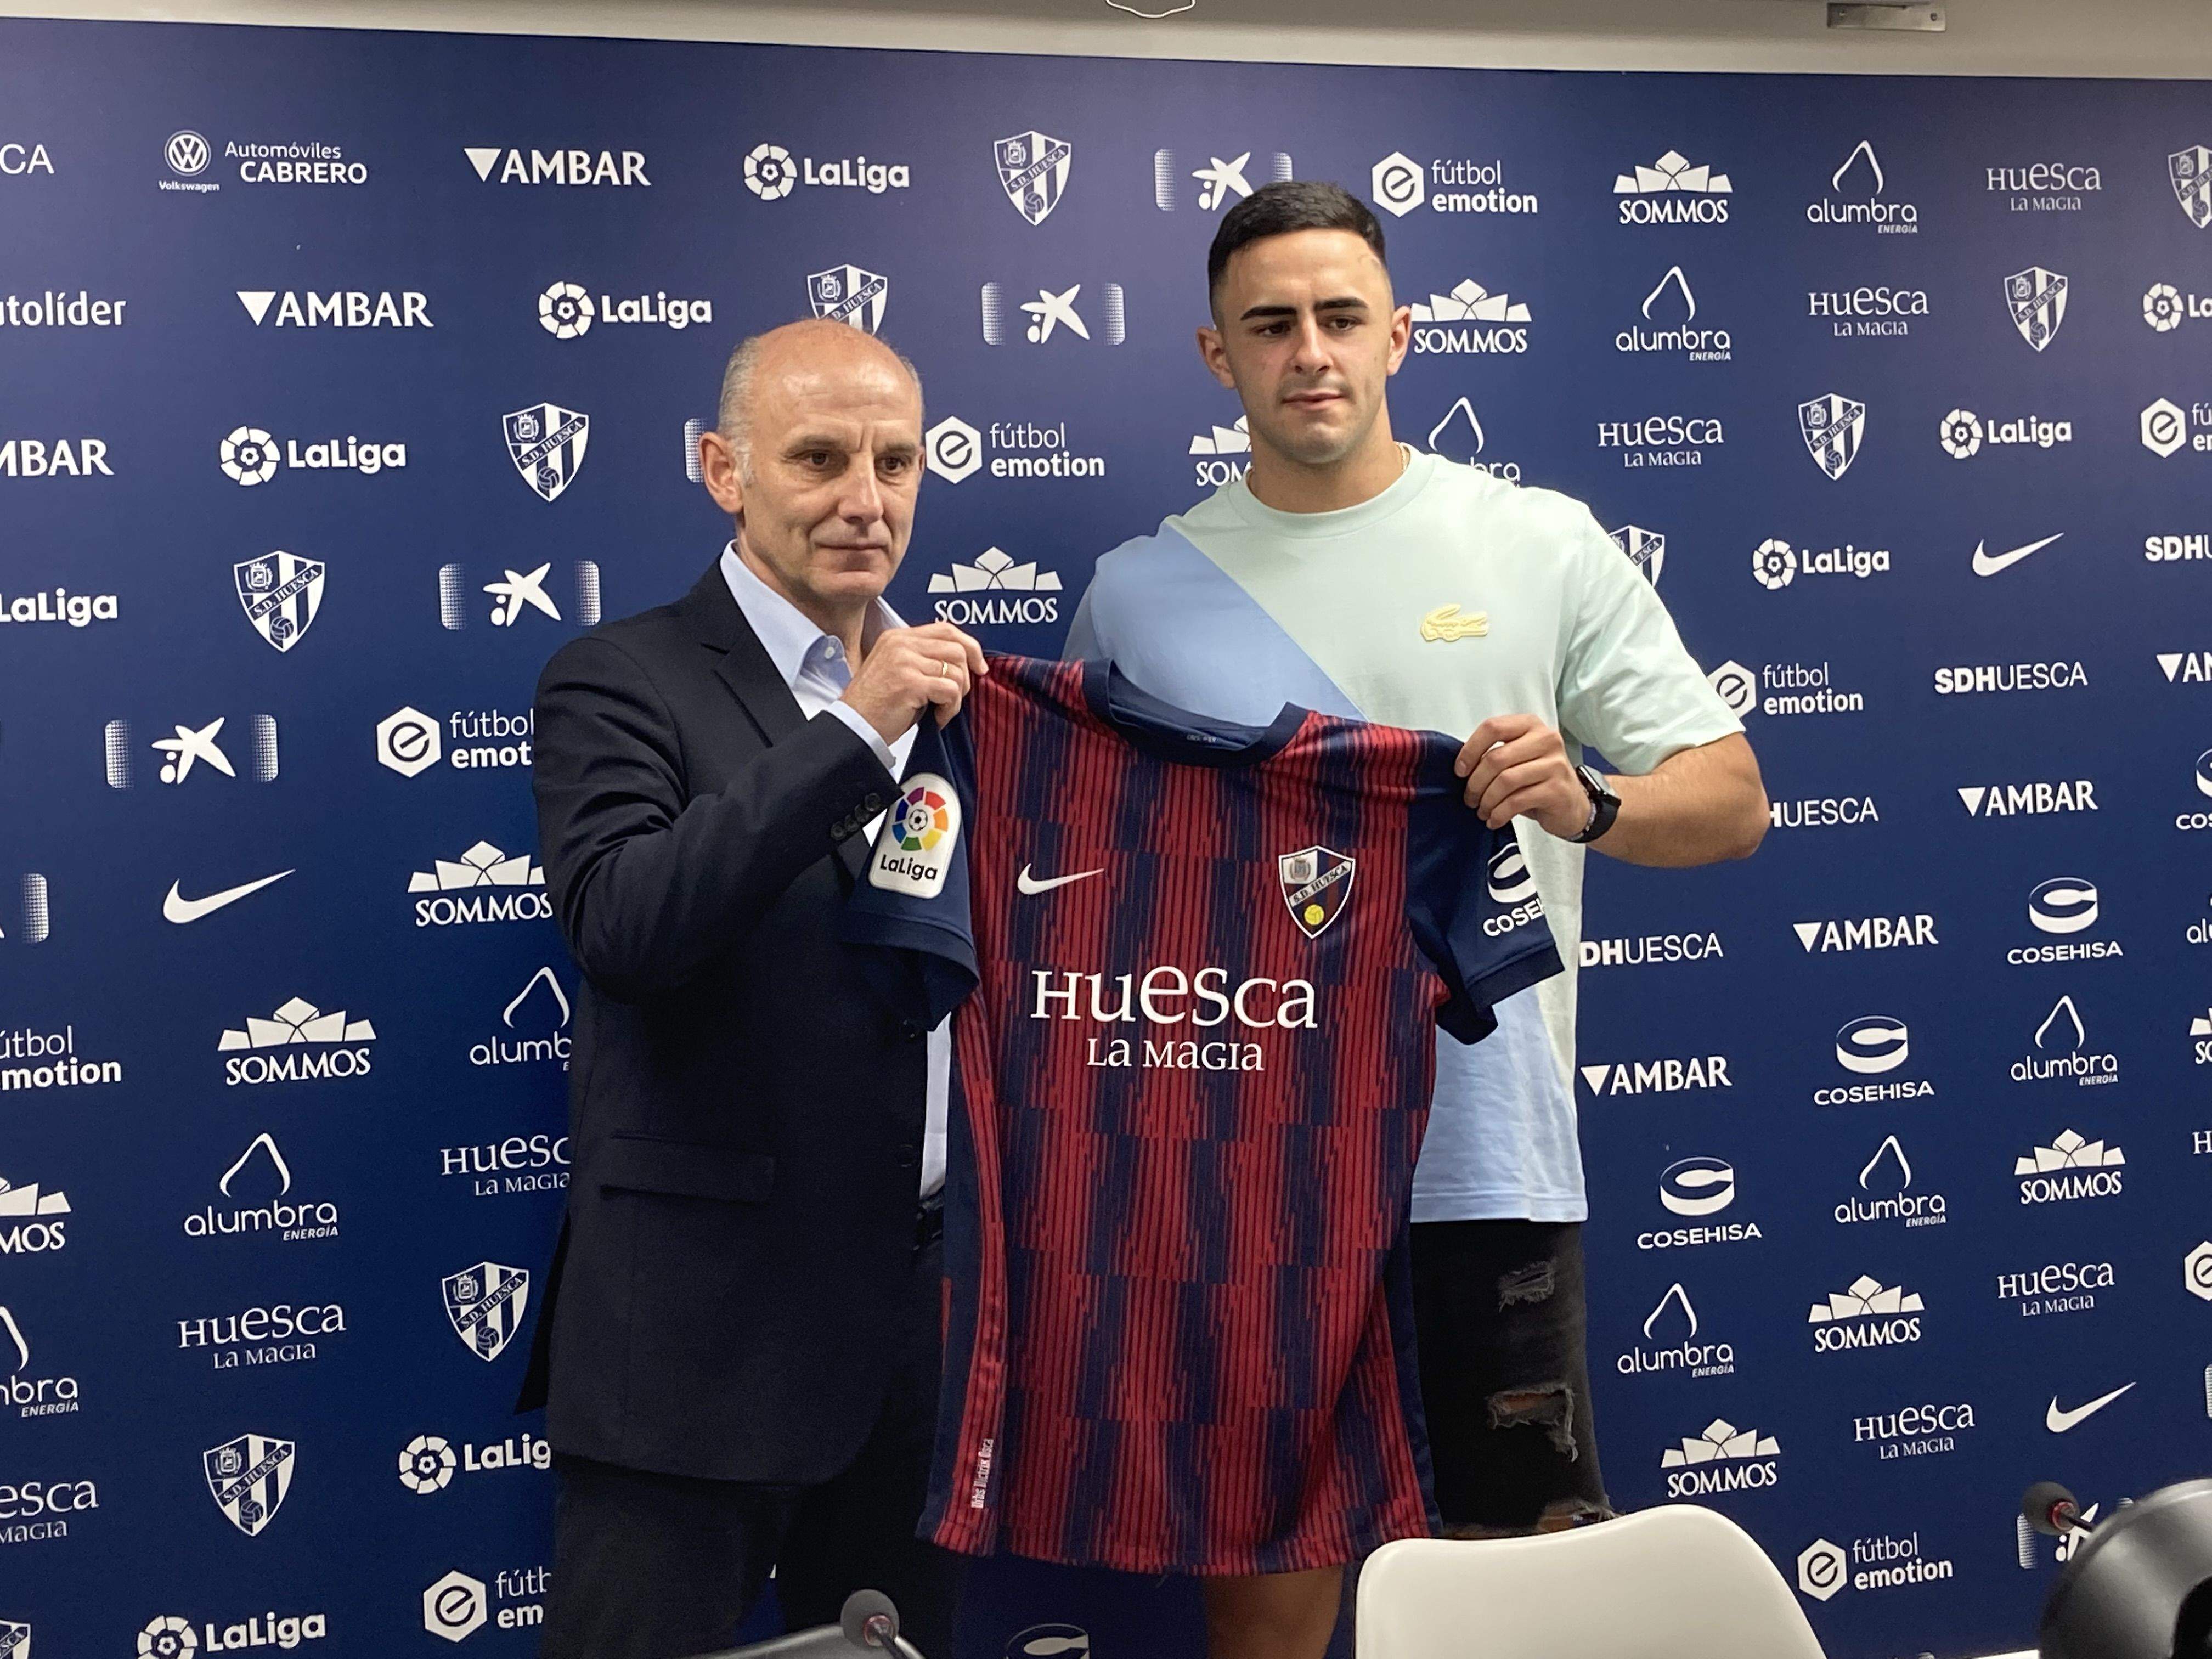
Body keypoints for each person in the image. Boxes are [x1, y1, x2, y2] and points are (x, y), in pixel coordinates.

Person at [1065, 180, 1769, 1646]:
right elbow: (1090, 892)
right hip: (1252, 1170)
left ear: (1402, 334)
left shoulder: (1540, 540)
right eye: (1271, 326)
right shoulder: (1138, 595)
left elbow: (1735, 796)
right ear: (1218, 357)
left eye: (1338, 318)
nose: (1309, 352)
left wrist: (1594, 799)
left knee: (1533, 1594)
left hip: (1487, 1163)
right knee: (1267, 1600)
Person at [521, 317, 985, 1659]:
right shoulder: (620, 676)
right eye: (820, 459)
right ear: (725, 471)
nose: (866, 499)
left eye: (896, 461)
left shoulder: (966, 700)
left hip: (912, 1337)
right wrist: (853, 731)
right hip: (692, 1343)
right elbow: (627, 925)